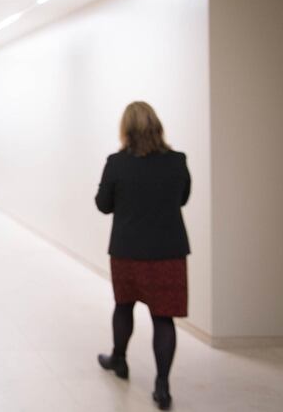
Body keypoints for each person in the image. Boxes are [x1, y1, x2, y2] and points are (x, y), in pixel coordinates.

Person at [94, 101, 191, 411]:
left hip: (127, 251)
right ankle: (162, 386)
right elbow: (183, 198)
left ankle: (119, 360)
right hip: (168, 253)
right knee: (163, 317)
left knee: (124, 306)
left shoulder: (117, 163)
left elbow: (103, 204)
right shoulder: (177, 161)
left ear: (126, 129)